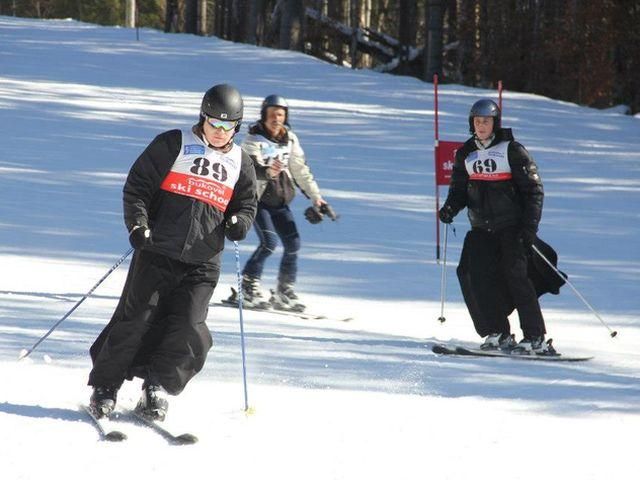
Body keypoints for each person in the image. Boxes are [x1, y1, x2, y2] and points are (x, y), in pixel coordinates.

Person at [88, 84, 257, 419]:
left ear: (237, 128)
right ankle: (106, 386)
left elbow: (247, 205)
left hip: (202, 261)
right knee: (135, 320)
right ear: (202, 118)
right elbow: (138, 186)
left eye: (228, 127)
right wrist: (137, 224)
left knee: (189, 328)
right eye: (214, 123)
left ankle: (156, 386)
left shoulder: (241, 162)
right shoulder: (174, 143)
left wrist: (239, 222)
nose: (220, 132)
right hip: (157, 250)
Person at [438, 98, 550, 354]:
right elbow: (459, 190)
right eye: (477, 122)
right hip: (481, 229)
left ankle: (535, 337)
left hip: (511, 228)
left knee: (516, 278)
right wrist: (450, 209)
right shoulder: (466, 153)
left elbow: (534, 192)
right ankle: (497, 332)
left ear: (495, 123)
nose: (481, 126)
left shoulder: (512, 150)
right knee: (472, 276)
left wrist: (529, 229)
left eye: (486, 121)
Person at [228, 94, 336, 312]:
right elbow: (249, 169)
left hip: (280, 202)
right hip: (257, 201)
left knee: (293, 245)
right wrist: (267, 171)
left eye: (280, 115)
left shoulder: (290, 139)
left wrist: (316, 198)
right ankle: (248, 287)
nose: (276, 119)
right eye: (271, 115)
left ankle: (284, 290)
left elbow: (300, 171)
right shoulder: (253, 139)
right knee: (269, 243)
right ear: (264, 116)